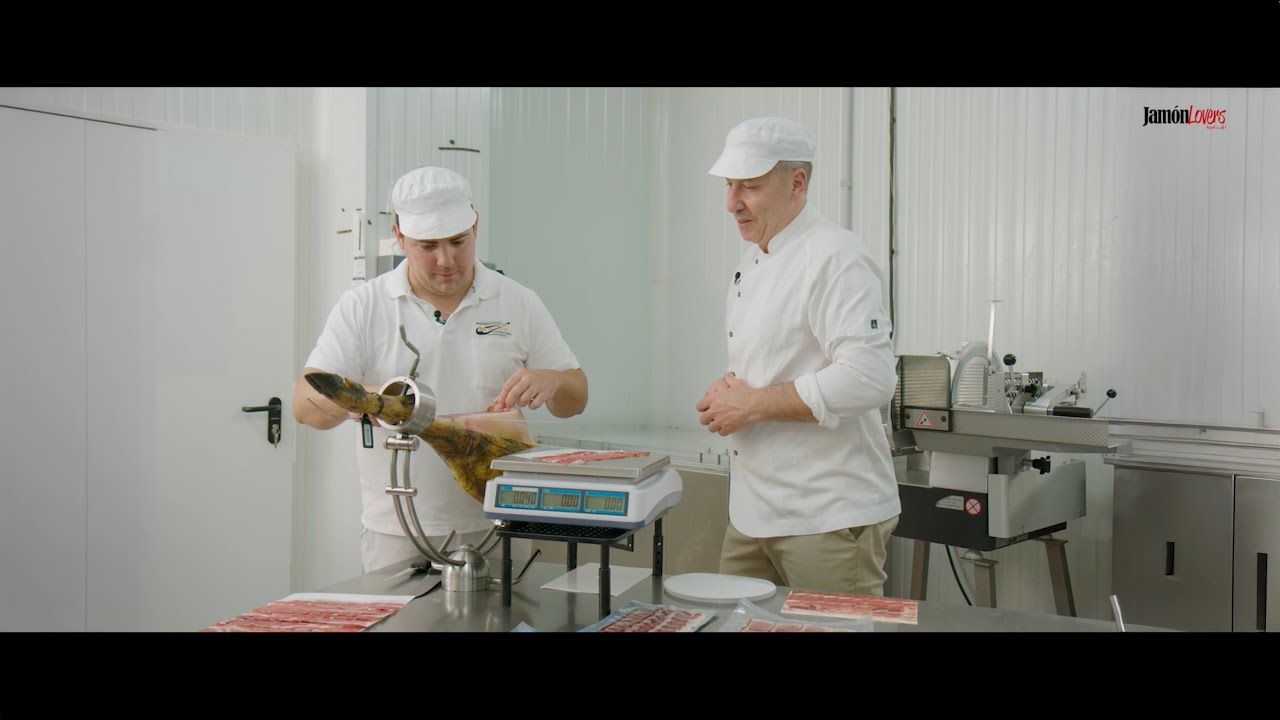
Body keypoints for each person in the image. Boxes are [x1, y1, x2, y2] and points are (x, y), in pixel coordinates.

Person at [294, 166, 588, 573]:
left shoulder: (518, 302)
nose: (446, 260)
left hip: (502, 522)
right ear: (398, 236)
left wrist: (553, 381)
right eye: (427, 245)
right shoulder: (364, 306)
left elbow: (577, 397)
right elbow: (304, 406)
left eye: (458, 241)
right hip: (399, 530)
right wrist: (364, 402)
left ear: (476, 226)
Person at [694, 117, 900, 596]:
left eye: (750, 186)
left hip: (825, 515)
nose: (732, 203)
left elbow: (870, 377)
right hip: (752, 514)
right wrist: (728, 390)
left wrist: (751, 403)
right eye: (729, 186)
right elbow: (777, 365)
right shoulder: (754, 261)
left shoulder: (836, 256)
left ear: (797, 183)